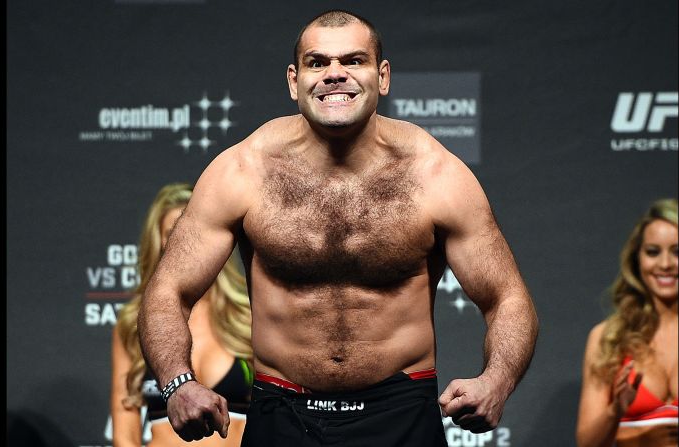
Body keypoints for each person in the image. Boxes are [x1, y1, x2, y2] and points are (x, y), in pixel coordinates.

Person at [138, 10, 539, 447]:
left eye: (353, 61)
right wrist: (177, 382)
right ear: (294, 81)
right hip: (282, 411)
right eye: (317, 63)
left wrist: (497, 380)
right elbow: (167, 291)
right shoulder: (243, 171)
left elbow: (508, 298)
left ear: (382, 76)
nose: (335, 75)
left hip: (400, 412)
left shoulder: (435, 176)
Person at [110, 182, 253, 447]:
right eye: (172, 232)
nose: (183, 241)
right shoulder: (134, 324)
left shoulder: (248, 316)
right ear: (159, 242)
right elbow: (124, 429)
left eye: (191, 231)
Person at [576, 198, 678, 447]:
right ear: (637, 259)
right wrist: (615, 411)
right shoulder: (608, 338)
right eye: (653, 252)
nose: (665, 264)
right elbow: (587, 444)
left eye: (677, 252)